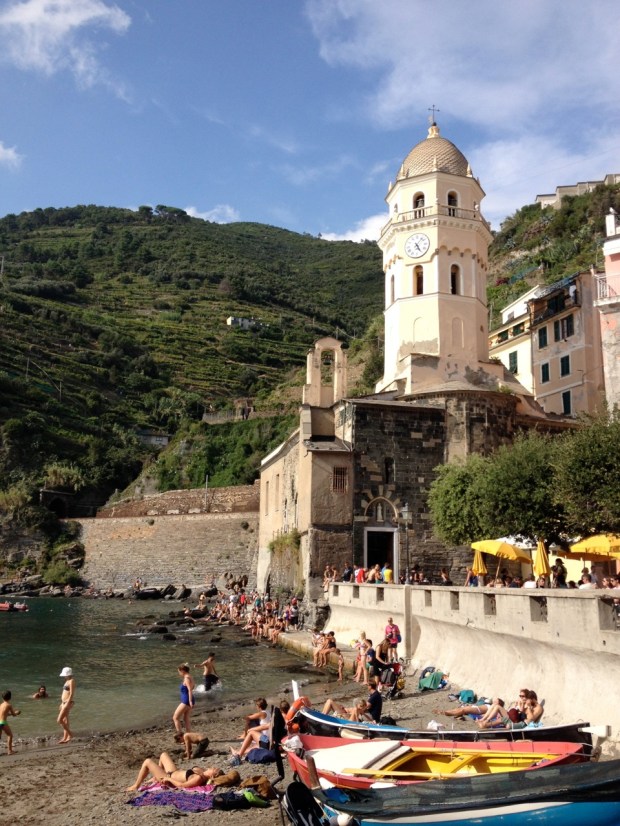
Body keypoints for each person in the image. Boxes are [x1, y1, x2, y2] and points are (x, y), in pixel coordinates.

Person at [126, 751, 222, 791]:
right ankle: (155, 777)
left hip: (169, 778)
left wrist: (169, 779)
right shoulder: (202, 772)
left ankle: (136, 785)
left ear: (212, 776)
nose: (214, 767)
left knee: (147, 762)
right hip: (173, 772)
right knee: (163, 754)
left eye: (215, 770)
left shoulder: (199, 778)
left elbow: (182, 785)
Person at [173, 664, 195, 735]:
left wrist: (190, 701)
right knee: (186, 719)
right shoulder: (190, 676)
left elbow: (189, 690)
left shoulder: (186, 678)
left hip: (186, 701)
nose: (179, 673)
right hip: (189, 700)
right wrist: (191, 701)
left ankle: (180, 737)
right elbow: (192, 687)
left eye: (179, 671)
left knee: (175, 718)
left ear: (182, 670)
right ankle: (189, 736)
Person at [58, 666, 75, 744]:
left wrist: (67, 703)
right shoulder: (67, 681)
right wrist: (62, 703)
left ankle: (70, 735)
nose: (64, 676)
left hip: (68, 703)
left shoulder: (71, 681)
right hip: (64, 703)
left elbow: (71, 693)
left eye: (65, 675)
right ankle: (65, 738)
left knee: (59, 720)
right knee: (65, 720)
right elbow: (64, 693)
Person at [0, 690, 21, 755]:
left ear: (2, 697)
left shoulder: (1, 704)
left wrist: (11, 714)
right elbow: (14, 715)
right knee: (10, 735)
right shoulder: (9, 705)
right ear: (10, 697)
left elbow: (4, 714)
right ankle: (10, 751)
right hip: (3, 722)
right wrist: (17, 713)